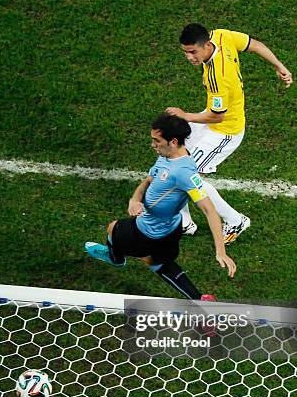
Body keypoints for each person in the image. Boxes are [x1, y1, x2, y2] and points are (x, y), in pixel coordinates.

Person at [85, 113, 236, 300]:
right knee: (156, 262)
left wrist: (220, 251)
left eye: (157, 141)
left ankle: (115, 258)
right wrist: (135, 199)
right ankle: (199, 301)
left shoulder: (184, 172)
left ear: (172, 141)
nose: (153, 145)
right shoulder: (167, 156)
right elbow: (148, 181)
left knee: (113, 228)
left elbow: (209, 210)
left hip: (148, 231)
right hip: (172, 229)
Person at [166, 23, 293, 244]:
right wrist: (279, 65)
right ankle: (184, 221)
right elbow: (255, 45)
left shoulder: (218, 76)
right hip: (213, 118)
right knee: (171, 152)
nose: (189, 57)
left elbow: (217, 117)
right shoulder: (221, 36)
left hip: (223, 132)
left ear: (206, 45)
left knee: (188, 175)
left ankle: (235, 220)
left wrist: (184, 115)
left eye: (193, 52)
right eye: (185, 52)